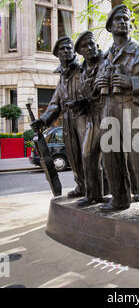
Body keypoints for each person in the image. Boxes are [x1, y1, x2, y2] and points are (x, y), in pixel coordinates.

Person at [97, 4, 139, 220]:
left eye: (126, 19)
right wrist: (100, 82)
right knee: (110, 157)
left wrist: (130, 81)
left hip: (134, 107)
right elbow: (95, 85)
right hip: (109, 108)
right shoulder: (105, 57)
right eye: (118, 20)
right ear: (110, 27)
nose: (123, 22)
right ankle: (119, 197)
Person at [30, 36, 86, 199]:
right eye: (63, 49)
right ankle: (81, 186)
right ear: (57, 54)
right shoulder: (62, 77)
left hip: (84, 116)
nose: (67, 51)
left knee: (88, 155)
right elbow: (56, 103)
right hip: (68, 119)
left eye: (69, 48)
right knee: (74, 155)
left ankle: (98, 189)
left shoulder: (82, 69)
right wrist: (42, 121)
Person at [74, 31, 111, 206]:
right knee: (88, 154)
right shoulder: (82, 71)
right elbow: (87, 94)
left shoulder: (107, 59)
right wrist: (79, 103)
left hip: (110, 113)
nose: (89, 48)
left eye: (91, 44)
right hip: (92, 116)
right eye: (84, 46)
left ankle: (121, 194)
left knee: (115, 157)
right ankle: (93, 194)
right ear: (80, 52)